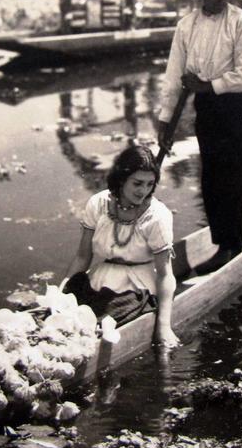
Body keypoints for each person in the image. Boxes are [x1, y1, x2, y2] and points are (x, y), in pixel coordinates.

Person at [157, 0, 242, 272]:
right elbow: (174, 75)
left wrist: (208, 86)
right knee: (211, 176)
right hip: (206, 107)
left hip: (233, 104)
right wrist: (164, 119)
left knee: (233, 172)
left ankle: (234, 244)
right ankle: (221, 242)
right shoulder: (187, 26)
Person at [63, 145, 179, 348]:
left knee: (98, 326)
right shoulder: (98, 204)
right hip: (99, 278)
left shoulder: (157, 216)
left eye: (150, 184)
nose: (143, 191)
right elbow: (83, 257)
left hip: (136, 286)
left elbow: (165, 274)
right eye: (137, 183)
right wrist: (62, 291)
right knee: (66, 314)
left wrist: (163, 325)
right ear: (121, 178)